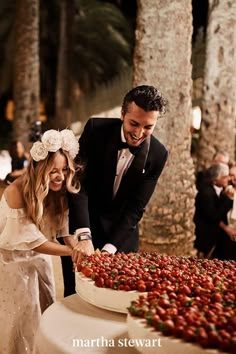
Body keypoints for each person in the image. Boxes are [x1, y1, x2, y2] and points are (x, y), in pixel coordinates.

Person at [65, 84, 168, 296]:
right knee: (76, 294)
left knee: (118, 301)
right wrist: (84, 236)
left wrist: (109, 250)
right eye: (134, 123)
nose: (139, 133)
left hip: (121, 236)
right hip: (85, 225)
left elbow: (136, 207)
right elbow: (78, 183)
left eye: (148, 127)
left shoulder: (158, 154)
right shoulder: (95, 129)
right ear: (122, 114)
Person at [0, 129, 94, 354]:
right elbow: (32, 241)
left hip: (40, 260)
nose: (60, 176)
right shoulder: (16, 191)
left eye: (64, 170)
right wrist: (72, 253)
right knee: (22, 317)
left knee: (47, 309)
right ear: (40, 168)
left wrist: (79, 248)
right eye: (53, 171)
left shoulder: (61, 192)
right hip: (12, 262)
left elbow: (63, 231)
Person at [193, 163, 234, 259]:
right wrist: (229, 199)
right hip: (206, 237)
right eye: (225, 177)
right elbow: (214, 216)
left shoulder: (223, 189)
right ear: (215, 181)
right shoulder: (206, 193)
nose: (229, 179)